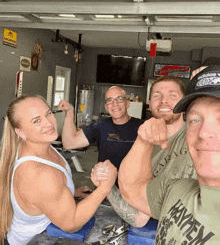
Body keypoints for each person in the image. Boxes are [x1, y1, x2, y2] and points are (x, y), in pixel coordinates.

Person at [118, 65, 220, 243]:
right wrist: (144, 140)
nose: (204, 132)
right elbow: (132, 189)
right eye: (195, 119)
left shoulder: (182, 137)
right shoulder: (177, 190)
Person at [0, 95, 117, 245]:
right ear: (21, 132)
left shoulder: (40, 145)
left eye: (48, 113)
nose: (49, 123)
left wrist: (70, 192)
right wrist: (105, 187)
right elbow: (71, 223)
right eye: (36, 120)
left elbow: (39, 196)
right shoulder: (39, 174)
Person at [59, 85, 144, 170]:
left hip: (134, 182)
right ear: (106, 107)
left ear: (128, 103)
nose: (115, 104)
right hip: (106, 182)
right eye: (110, 100)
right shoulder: (100, 125)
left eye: (120, 99)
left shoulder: (143, 127)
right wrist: (70, 112)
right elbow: (69, 143)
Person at [148, 76, 197, 179]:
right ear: (150, 104)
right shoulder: (143, 140)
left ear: (183, 102)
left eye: (172, 95)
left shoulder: (198, 135)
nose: (164, 101)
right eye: (157, 96)